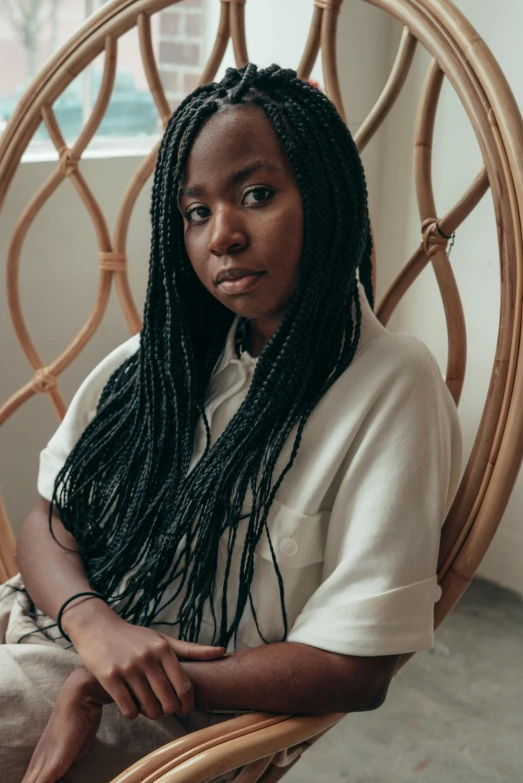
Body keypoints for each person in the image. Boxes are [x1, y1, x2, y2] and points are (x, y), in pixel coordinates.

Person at [0, 63, 463, 783]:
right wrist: (97, 628)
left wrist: (101, 677)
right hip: (50, 623)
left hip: (164, 709)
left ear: (327, 197)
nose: (223, 235)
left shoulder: (390, 385)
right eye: (195, 212)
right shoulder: (159, 357)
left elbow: (356, 664)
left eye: (256, 194)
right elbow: (46, 520)